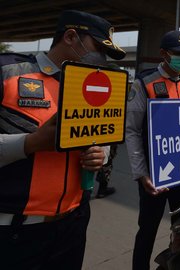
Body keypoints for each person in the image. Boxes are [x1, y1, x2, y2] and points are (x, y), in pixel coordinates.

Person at [0, 10, 125, 269]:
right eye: (98, 49)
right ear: (70, 37)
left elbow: (101, 136)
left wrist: (99, 154)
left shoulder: (97, 84)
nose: (101, 59)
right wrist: (31, 143)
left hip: (73, 225)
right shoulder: (8, 71)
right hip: (15, 232)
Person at [125, 30, 180, 270]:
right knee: (147, 230)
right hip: (155, 176)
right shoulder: (144, 83)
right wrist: (141, 173)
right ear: (164, 54)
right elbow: (132, 131)